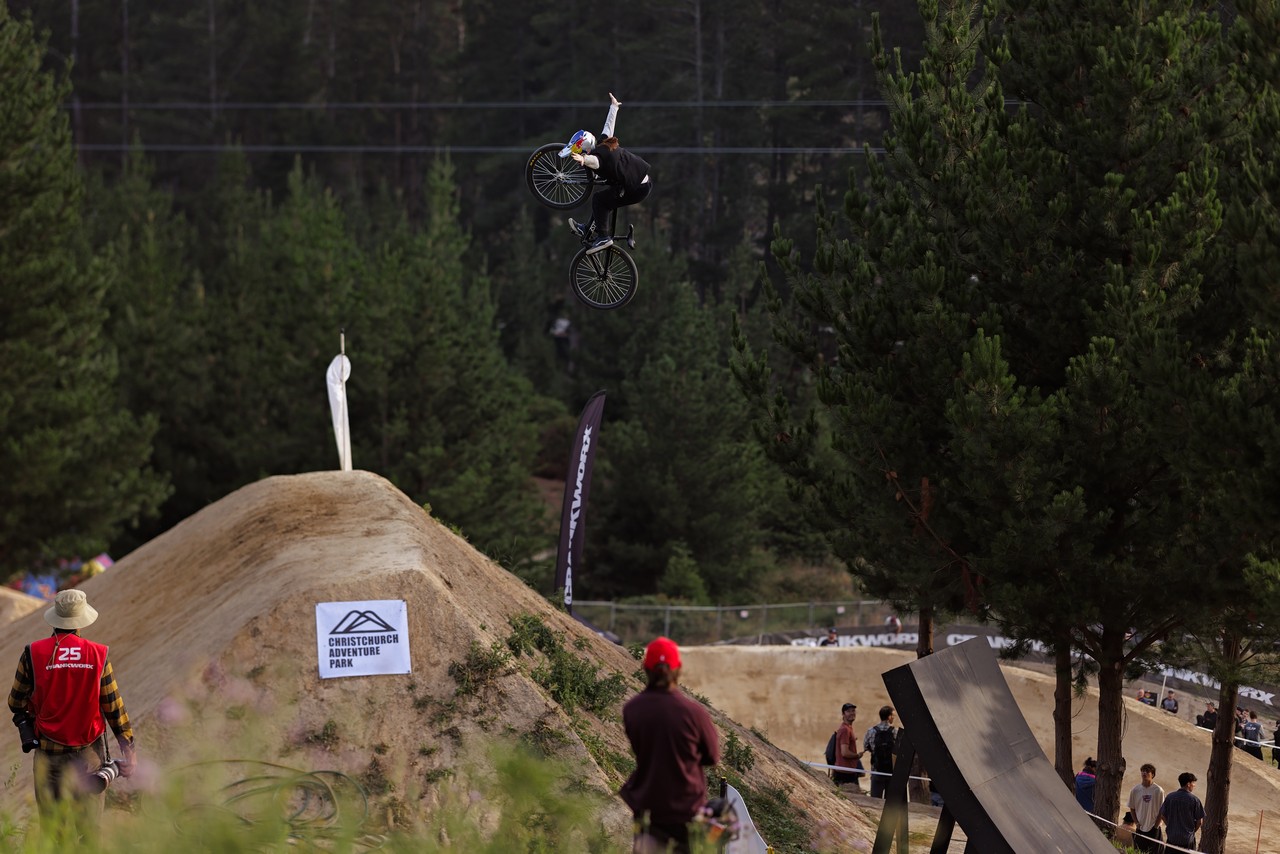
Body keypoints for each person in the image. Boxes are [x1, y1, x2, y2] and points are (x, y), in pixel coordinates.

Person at [8, 589, 136, 838]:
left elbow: (15, 701)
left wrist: (33, 715)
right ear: (81, 621)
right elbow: (113, 707)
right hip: (89, 757)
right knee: (89, 833)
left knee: (54, 833)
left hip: (49, 757)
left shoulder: (32, 653)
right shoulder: (98, 654)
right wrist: (129, 748)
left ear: (55, 618)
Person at [620, 636, 720, 854]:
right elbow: (712, 756)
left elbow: (642, 748)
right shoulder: (693, 713)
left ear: (645, 668)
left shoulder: (632, 709)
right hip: (686, 812)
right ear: (678, 669)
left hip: (647, 808)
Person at [563, 93, 653, 256]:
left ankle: (604, 237)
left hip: (638, 188)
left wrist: (583, 159)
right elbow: (608, 125)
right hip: (639, 181)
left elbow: (595, 161)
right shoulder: (603, 143)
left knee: (600, 200)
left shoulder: (598, 157)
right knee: (604, 200)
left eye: (580, 151)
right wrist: (614, 107)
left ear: (586, 149)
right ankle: (587, 229)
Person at [1159, 772, 1205, 850]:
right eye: (1193, 783)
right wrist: (1192, 831)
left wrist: (1170, 826)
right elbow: (1199, 822)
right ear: (1188, 784)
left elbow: (1162, 815)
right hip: (1187, 840)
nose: (1194, 785)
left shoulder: (1170, 797)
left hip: (1172, 839)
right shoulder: (1195, 800)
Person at [1126, 763, 1165, 853]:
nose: (1144, 773)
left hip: (1154, 828)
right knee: (1139, 851)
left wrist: (1156, 825)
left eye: (1147, 771)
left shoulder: (1158, 790)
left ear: (1153, 775)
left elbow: (1162, 810)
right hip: (1140, 827)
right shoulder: (1135, 790)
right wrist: (1137, 823)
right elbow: (1132, 808)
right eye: (1143, 771)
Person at [863, 705, 899, 799]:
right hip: (891, 772)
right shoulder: (895, 732)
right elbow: (899, 750)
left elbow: (866, 747)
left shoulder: (871, 731)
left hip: (876, 770)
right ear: (889, 717)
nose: (893, 718)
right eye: (893, 716)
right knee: (890, 802)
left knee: (875, 800)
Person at [832, 702, 864, 791]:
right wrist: (857, 755)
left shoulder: (848, 728)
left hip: (847, 771)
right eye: (848, 711)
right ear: (843, 714)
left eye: (853, 711)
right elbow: (845, 753)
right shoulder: (845, 730)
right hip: (845, 774)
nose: (852, 713)